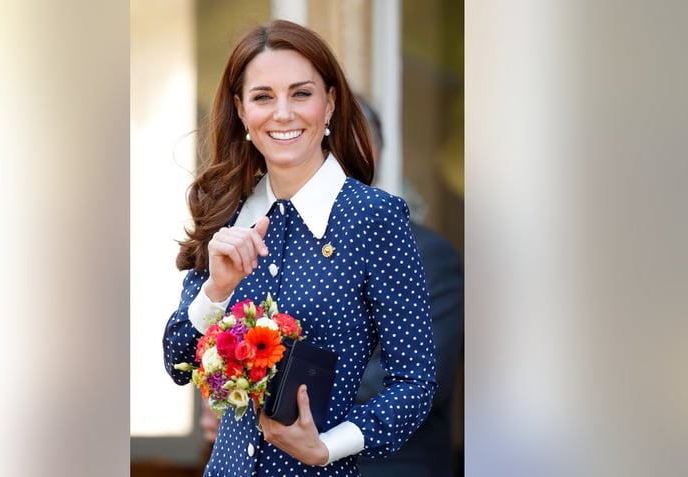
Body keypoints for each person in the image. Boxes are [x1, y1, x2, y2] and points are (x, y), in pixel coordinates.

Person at [162, 19, 436, 477]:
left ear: (329, 103)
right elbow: (178, 362)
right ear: (242, 110)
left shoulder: (374, 218)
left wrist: (326, 447)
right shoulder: (226, 214)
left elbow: (415, 382)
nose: (282, 113)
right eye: (263, 96)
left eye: (301, 93)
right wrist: (216, 292)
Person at [355, 96, 465, 477]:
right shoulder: (283, 251)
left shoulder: (429, 256)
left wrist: (279, 403)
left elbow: (416, 381)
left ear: (370, 152)